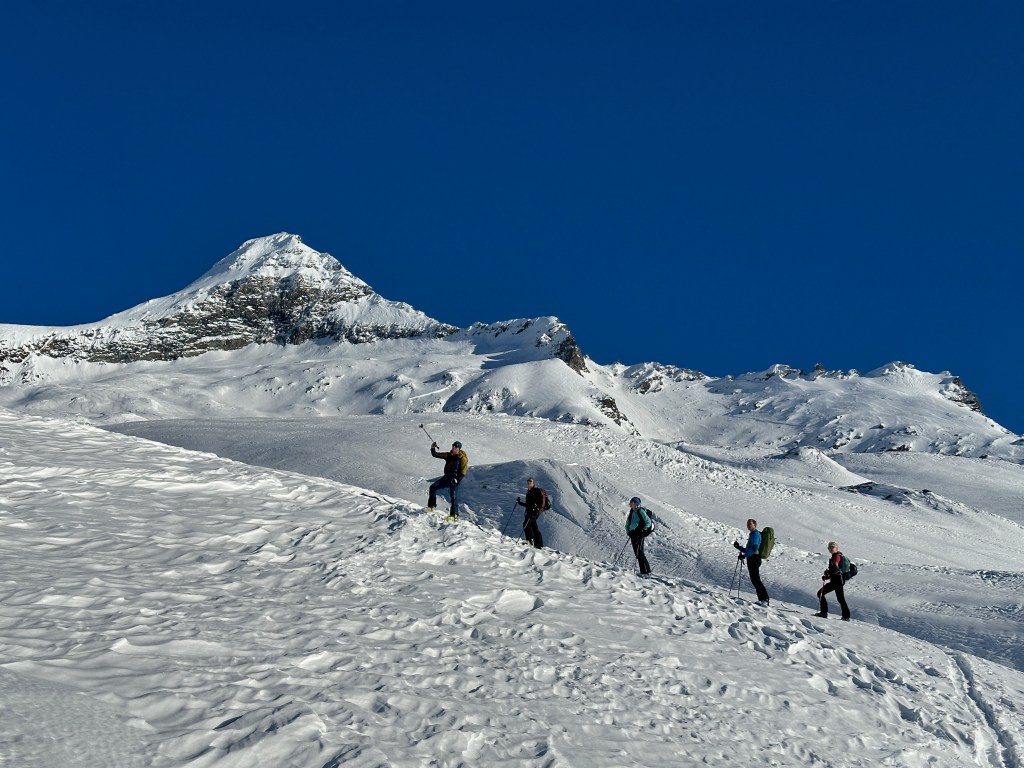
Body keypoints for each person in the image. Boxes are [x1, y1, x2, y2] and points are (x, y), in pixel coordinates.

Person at [427, 440, 468, 520]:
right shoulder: (449, 455)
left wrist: (457, 479)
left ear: (459, 448)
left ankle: (454, 515)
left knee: (453, 497)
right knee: (433, 487)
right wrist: (432, 448)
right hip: (446, 478)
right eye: (453, 446)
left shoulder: (462, 458)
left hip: (454, 480)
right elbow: (435, 454)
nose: (453, 448)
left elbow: (463, 471)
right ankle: (431, 507)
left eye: (455, 447)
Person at [734, 518, 770, 606]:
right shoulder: (753, 534)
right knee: (755, 579)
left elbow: (754, 548)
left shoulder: (755, 534)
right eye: (747, 523)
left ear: (754, 525)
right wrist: (739, 548)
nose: (748, 525)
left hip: (754, 558)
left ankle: (765, 599)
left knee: (756, 579)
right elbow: (749, 549)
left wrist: (744, 555)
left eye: (750, 523)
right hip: (753, 558)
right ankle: (762, 600)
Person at [815, 541, 851, 620]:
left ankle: (824, 613)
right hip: (838, 580)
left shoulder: (836, 556)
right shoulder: (836, 556)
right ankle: (845, 616)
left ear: (836, 548)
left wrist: (828, 574)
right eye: (829, 547)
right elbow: (835, 570)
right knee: (840, 598)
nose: (830, 549)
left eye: (832, 547)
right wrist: (827, 576)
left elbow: (835, 568)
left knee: (821, 593)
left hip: (837, 580)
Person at [625, 496, 653, 577]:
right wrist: (628, 532)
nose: (630, 504)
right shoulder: (632, 512)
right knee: (637, 554)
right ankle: (643, 572)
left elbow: (648, 522)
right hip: (633, 534)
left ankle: (646, 572)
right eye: (630, 503)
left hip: (639, 535)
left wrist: (642, 530)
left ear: (636, 503)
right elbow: (627, 524)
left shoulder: (640, 511)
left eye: (632, 502)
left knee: (640, 553)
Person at [516, 477, 545, 548]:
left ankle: (530, 540)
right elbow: (528, 504)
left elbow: (539, 502)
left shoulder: (535, 491)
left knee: (526, 524)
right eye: (528, 482)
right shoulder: (529, 492)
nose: (529, 484)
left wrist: (536, 509)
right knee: (534, 527)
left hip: (533, 512)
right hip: (530, 511)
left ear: (533, 483)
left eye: (530, 482)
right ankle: (538, 544)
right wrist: (519, 502)